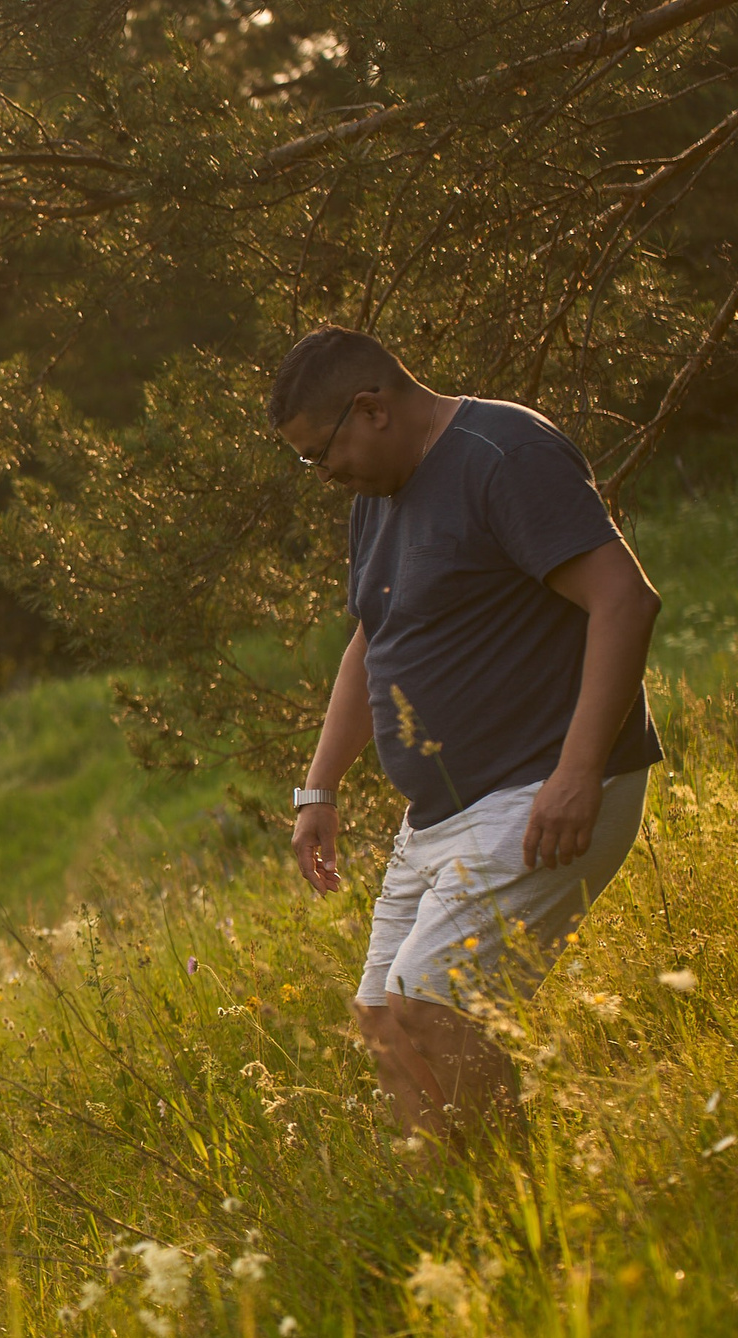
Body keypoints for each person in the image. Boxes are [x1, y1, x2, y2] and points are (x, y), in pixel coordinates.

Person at [270, 326, 663, 1148]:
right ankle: (458, 1204)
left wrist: (576, 772)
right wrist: (319, 787)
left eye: (320, 453)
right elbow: (373, 639)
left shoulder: (504, 453)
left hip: (539, 789)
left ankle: (518, 1199)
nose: (323, 474)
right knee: (383, 1019)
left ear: (372, 408)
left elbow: (625, 599)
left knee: (431, 1001)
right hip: (443, 813)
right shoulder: (377, 497)